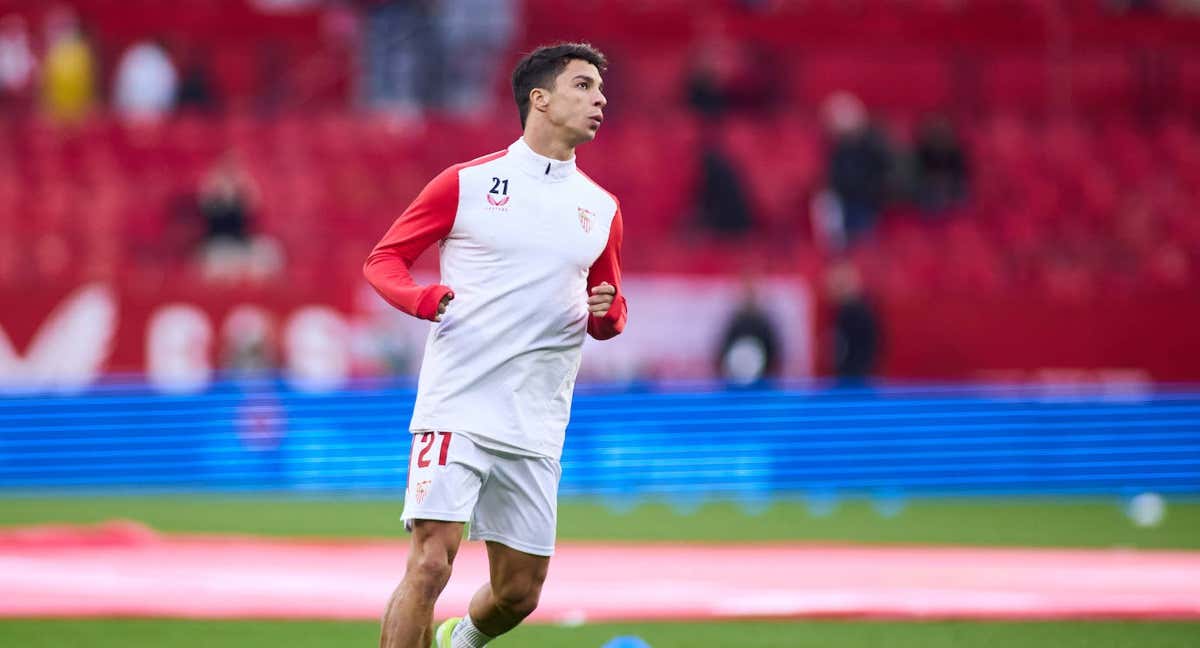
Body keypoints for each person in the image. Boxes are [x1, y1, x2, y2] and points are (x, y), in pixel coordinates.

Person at [362, 43, 626, 648]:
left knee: (519, 593)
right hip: (458, 402)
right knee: (430, 562)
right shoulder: (468, 184)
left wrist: (609, 315)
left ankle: (462, 640)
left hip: (536, 419)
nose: (599, 99)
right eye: (583, 86)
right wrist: (423, 299)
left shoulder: (601, 208)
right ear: (540, 99)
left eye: (599, 89)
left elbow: (609, 305)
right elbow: (385, 260)